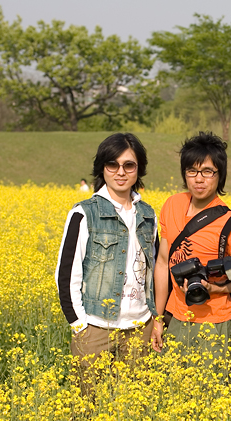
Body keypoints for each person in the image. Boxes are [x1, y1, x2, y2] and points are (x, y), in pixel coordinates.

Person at [56, 133, 158, 397]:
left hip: (140, 328)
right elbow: (66, 274)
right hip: (96, 328)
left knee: (134, 410)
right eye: (112, 164)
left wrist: (154, 318)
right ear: (102, 168)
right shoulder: (83, 213)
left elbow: (153, 270)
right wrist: (79, 325)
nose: (120, 172)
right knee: (86, 408)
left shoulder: (148, 215)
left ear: (139, 168)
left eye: (129, 165)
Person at [152, 132, 231, 359]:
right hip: (175, 318)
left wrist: (216, 288)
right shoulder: (172, 205)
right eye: (192, 171)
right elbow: (162, 263)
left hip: (215, 323)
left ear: (220, 175)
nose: (198, 179)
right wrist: (158, 319)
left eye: (207, 171)